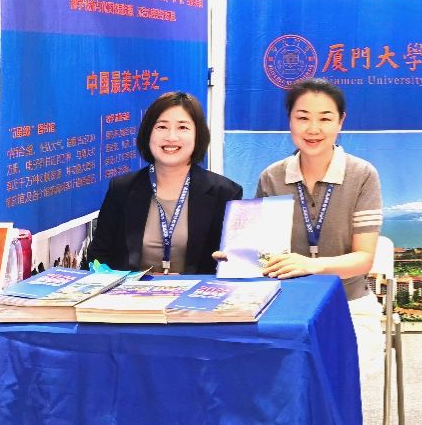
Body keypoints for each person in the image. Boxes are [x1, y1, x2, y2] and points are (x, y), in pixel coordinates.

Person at [253, 80, 383, 379]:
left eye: (325, 118)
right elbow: (265, 253)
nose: (313, 129)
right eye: (303, 117)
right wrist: (241, 256)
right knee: (265, 371)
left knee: (337, 372)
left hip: (348, 303)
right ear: (290, 121)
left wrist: (311, 265)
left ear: (340, 121)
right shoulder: (271, 177)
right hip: (284, 302)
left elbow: (363, 259)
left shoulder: (362, 175)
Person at [87, 91, 242, 274]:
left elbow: (236, 262)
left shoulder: (225, 193)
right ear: (148, 133)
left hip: (195, 292)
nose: (171, 137)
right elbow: (97, 257)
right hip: (131, 292)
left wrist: (230, 261)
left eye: (182, 127)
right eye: (161, 127)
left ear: (198, 135)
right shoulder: (122, 188)